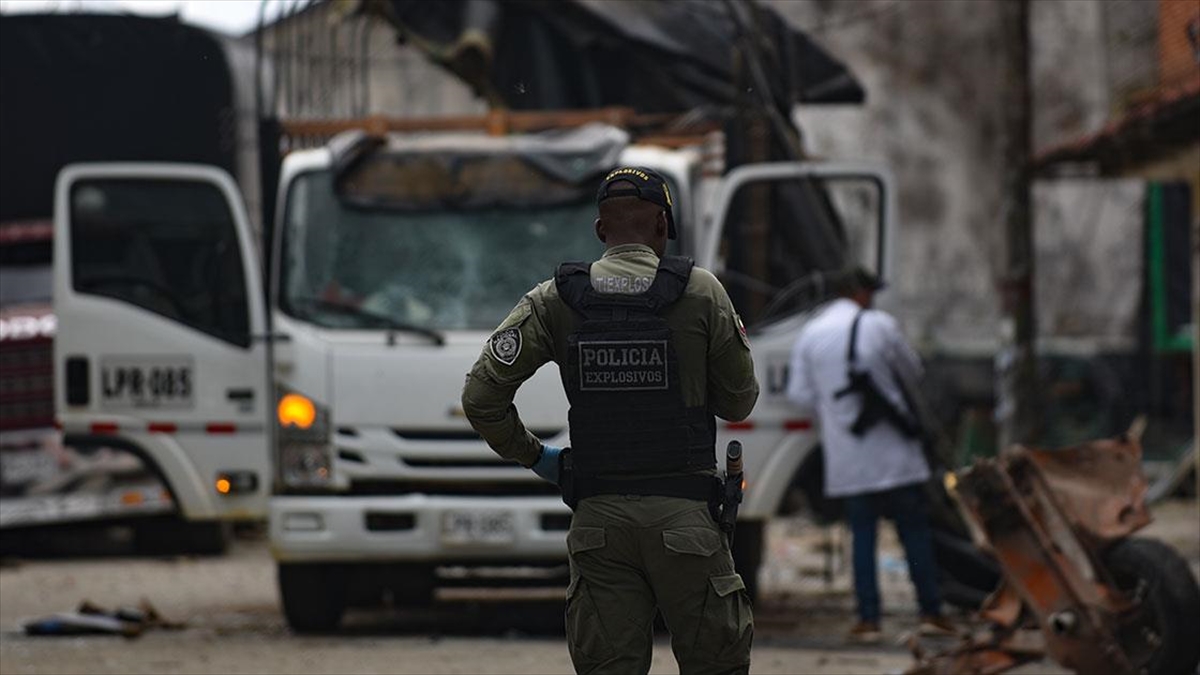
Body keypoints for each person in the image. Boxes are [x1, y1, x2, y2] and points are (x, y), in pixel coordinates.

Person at [462, 167, 760, 675]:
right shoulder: (703, 293)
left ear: (601, 231)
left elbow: (480, 397)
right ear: (663, 227)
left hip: (599, 524)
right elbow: (738, 403)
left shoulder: (554, 298)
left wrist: (537, 457)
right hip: (686, 523)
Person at [785, 266, 954, 644]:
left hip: (849, 459)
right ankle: (930, 611)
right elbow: (913, 371)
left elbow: (798, 394)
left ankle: (868, 620)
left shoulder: (811, 333)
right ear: (858, 292)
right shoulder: (880, 325)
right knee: (914, 533)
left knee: (862, 536)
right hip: (896, 456)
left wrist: (832, 414)